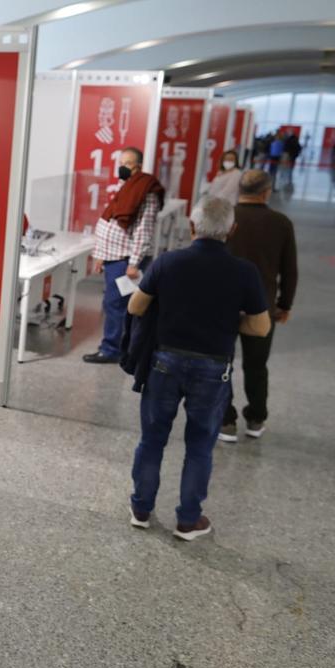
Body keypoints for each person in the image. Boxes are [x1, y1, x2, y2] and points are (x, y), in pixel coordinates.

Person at [125, 198, 270, 540]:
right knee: (200, 445)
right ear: (231, 231)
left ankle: (141, 509)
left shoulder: (168, 262)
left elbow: (135, 306)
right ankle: (189, 520)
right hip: (213, 367)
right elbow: (260, 328)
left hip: (164, 363)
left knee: (152, 439)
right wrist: (228, 325)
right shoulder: (244, 272)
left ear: (192, 227)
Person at [218, 171, 298, 442]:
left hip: (223, 304)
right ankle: (256, 418)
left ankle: (225, 420)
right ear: (267, 192)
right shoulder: (281, 222)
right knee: (256, 365)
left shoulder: (226, 217)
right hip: (262, 306)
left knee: (221, 362)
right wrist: (284, 304)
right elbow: (289, 270)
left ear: (240, 189)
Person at [83, 147, 164, 364]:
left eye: (127, 163)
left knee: (118, 306)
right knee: (114, 305)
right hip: (113, 257)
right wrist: (101, 256)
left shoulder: (147, 192)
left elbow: (143, 231)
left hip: (126, 260)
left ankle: (112, 350)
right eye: (121, 162)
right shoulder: (126, 187)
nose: (122, 167)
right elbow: (110, 222)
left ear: (138, 166)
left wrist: (134, 263)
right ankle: (119, 347)